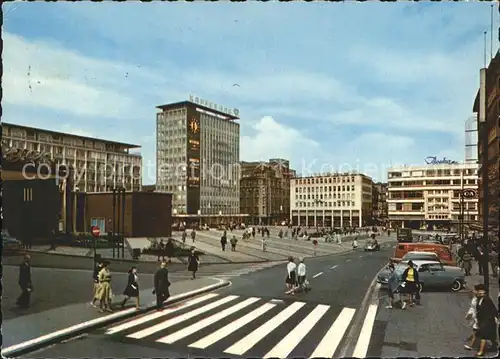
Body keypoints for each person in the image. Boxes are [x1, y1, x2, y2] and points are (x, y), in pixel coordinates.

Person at [473, 284, 499, 357]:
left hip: (488, 320)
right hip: (482, 320)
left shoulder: (487, 299)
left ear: (484, 292)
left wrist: (496, 317)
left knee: (483, 335)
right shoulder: (479, 299)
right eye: (479, 291)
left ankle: (481, 352)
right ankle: (494, 346)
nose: (480, 292)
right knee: (491, 335)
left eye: (482, 291)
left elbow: (493, 308)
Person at [464, 284, 481, 350]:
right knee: (476, 331)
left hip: (479, 318)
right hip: (475, 317)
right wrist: (469, 314)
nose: (474, 291)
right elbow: (472, 307)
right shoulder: (474, 298)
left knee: (476, 331)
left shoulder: (480, 299)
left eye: (475, 290)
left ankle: (471, 345)